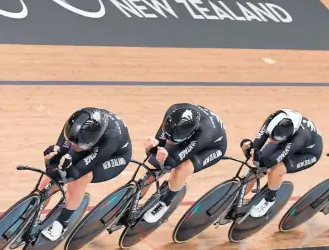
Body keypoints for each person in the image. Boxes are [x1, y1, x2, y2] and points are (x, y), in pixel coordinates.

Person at [39, 107, 132, 241]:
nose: (72, 144)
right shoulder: (75, 124)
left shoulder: (112, 137)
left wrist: (69, 169)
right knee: (49, 179)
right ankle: (32, 212)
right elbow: (58, 158)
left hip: (113, 156)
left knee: (80, 179)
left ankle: (62, 223)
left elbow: (76, 173)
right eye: (71, 140)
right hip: (87, 144)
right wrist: (51, 159)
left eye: (77, 142)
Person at [142, 103, 228, 223]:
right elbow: (159, 144)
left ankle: (165, 203)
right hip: (186, 134)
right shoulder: (172, 112)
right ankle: (129, 200)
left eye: (173, 139)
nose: (169, 141)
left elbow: (171, 163)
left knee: (181, 169)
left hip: (212, 147)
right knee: (152, 167)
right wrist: (152, 146)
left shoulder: (204, 134)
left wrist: (161, 154)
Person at [241, 109, 323, 217]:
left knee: (275, 170)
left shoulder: (299, 138)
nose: (270, 139)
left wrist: (259, 160)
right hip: (286, 142)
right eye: (270, 136)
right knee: (256, 169)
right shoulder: (273, 120)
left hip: (307, 153)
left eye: (275, 137)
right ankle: (237, 199)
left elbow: (272, 161)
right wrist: (250, 151)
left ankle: (269, 200)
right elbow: (258, 142)